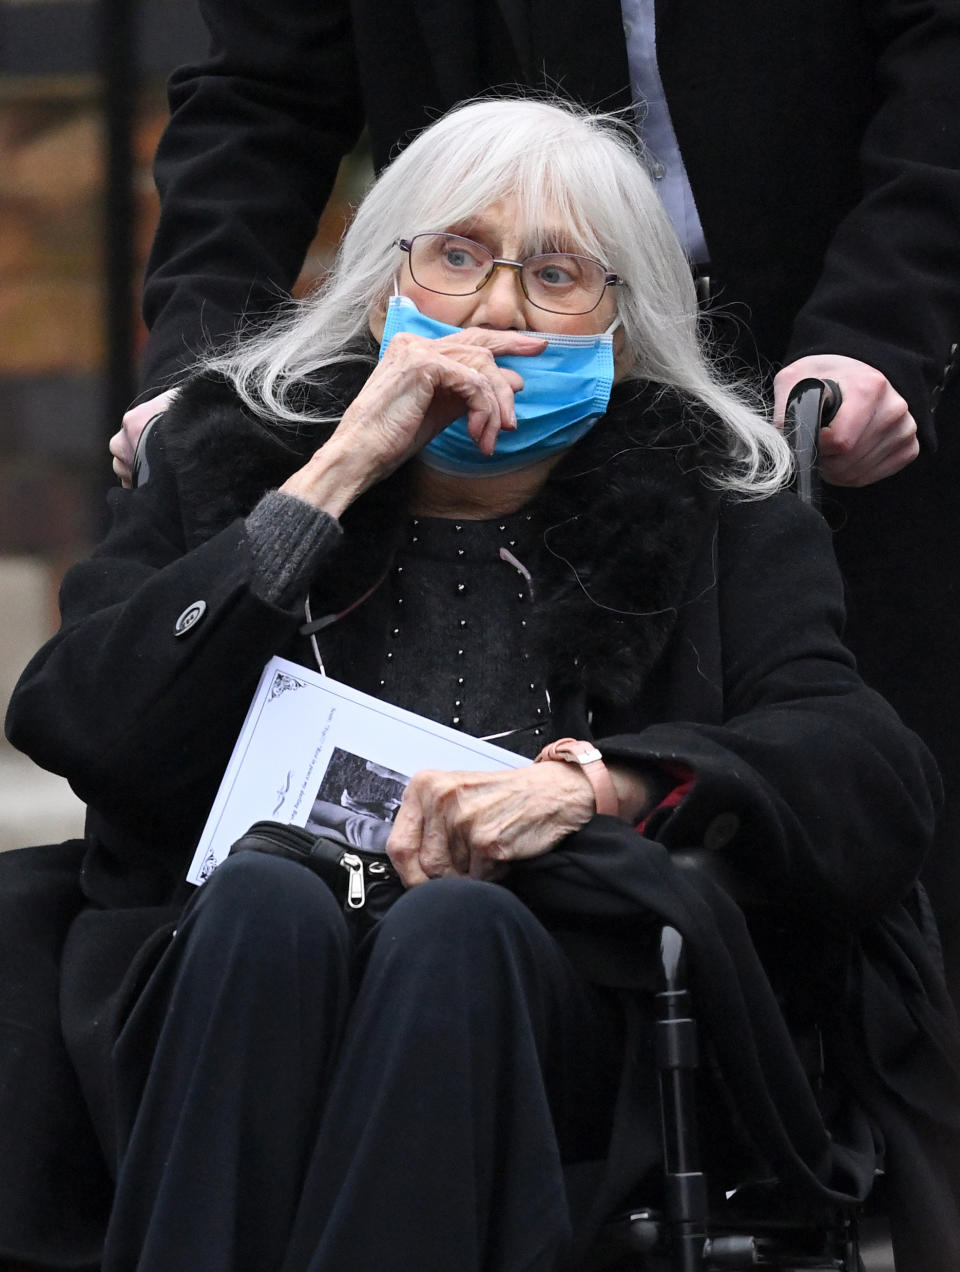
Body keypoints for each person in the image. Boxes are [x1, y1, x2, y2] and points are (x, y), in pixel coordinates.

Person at [5, 99, 958, 1271]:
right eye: (456, 256)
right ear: (377, 294)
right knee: (269, 900)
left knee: (457, 925)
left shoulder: (716, 509)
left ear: (620, 331)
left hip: (554, 1023)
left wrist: (603, 786)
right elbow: (78, 719)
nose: (499, 308)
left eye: (557, 275)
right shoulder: (236, 457)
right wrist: (340, 468)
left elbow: (868, 769)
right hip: (222, 996)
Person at [110, 0, 960, 997]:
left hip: (824, 348)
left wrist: (879, 331)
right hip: (496, 356)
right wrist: (200, 384)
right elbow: (261, 94)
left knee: (840, 820)